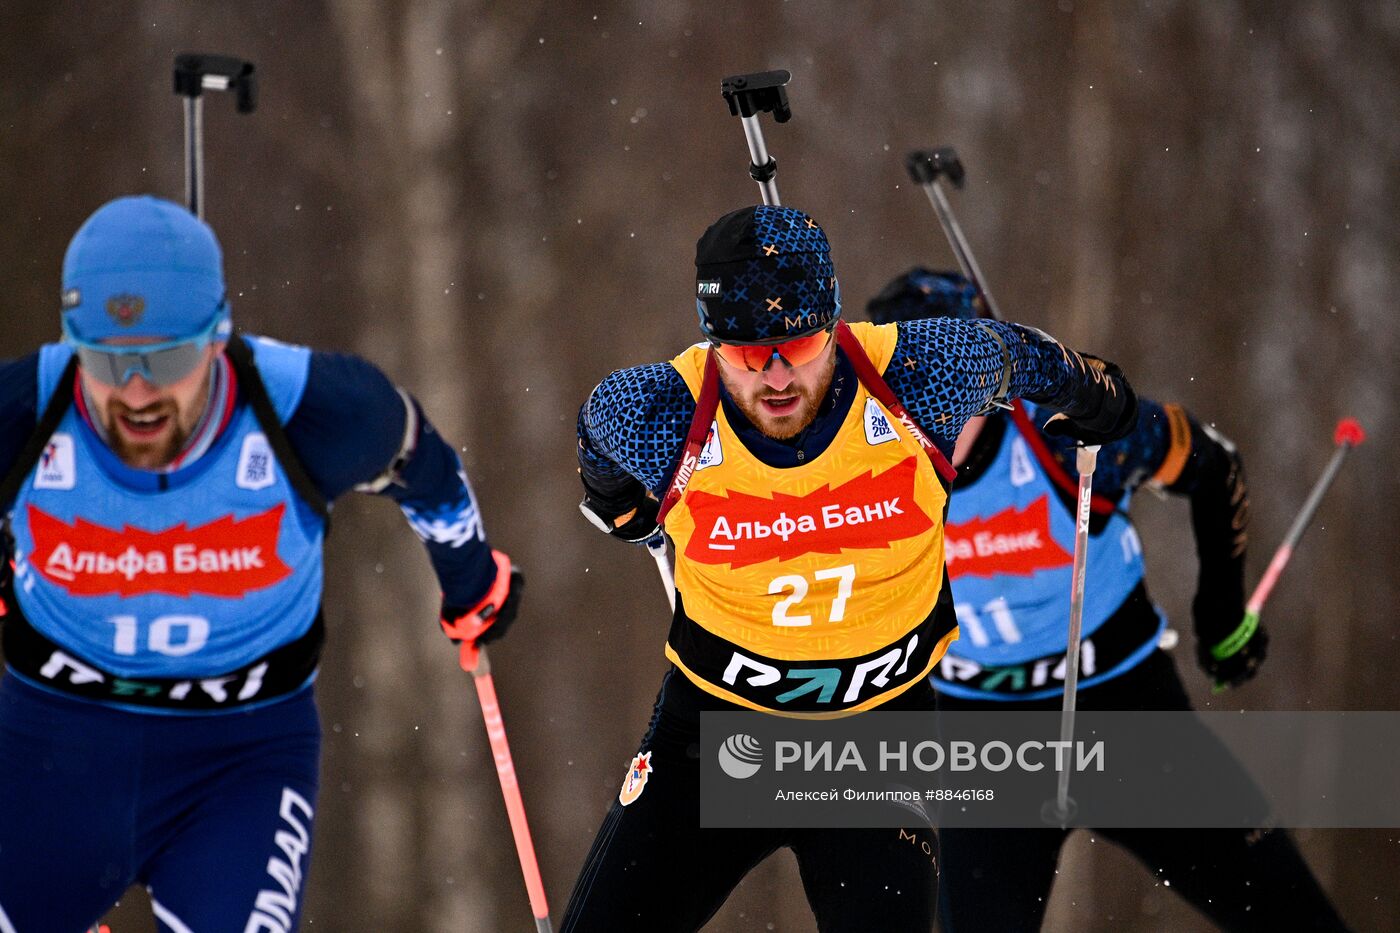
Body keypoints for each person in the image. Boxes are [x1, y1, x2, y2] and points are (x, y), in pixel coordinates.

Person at [561, 205, 1138, 932]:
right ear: (713, 345)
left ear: (833, 323)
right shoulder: (662, 411)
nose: (775, 375)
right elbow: (594, 434)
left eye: (799, 343)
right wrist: (618, 506)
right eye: (745, 353)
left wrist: (1101, 397)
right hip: (712, 735)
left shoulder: (918, 375)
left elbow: (1033, 358)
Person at [0, 195, 522, 932]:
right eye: (109, 362)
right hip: (53, 747)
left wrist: (472, 580)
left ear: (217, 340)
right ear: (70, 344)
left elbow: (425, 466)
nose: (137, 392)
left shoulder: (311, 409)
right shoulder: (23, 411)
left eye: (168, 357)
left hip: (237, 760)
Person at [867, 267, 1348, 932]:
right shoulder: (861, 465)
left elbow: (1213, 465)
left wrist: (1221, 617)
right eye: (908, 385)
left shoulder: (1066, 433)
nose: (931, 407)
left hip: (1125, 711)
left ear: (992, 374)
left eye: (956, 379)